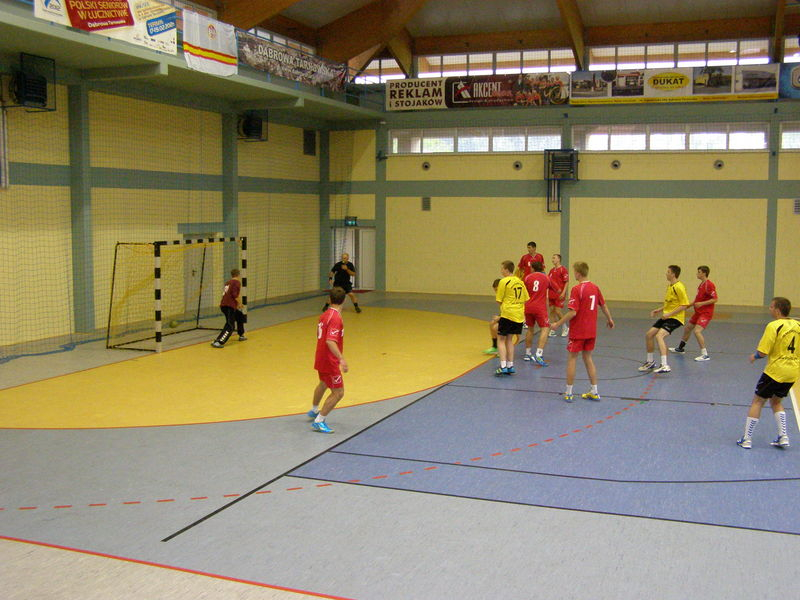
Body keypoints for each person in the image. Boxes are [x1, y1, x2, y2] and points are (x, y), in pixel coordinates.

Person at [737, 297, 799, 449]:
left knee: (757, 401)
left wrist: (754, 356)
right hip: (792, 372)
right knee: (776, 401)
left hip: (775, 371)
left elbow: (763, 352)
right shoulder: (798, 325)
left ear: (777, 310)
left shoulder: (774, 326)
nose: (769, 309)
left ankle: (747, 439)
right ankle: (783, 436)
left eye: (771, 307)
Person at [551, 261, 614, 402]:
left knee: (572, 358)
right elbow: (603, 305)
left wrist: (558, 324)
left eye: (574, 271)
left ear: (578, 273)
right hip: (591, 330)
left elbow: (573, 312)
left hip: (578, 330)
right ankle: (594, 391)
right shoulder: (595, 288)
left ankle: (569, 392)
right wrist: (610, 319)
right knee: (588, 358)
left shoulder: (577, 289)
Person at [308, 287, 349, 434]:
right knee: (339, 392)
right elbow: (330, 341)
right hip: (329, 360)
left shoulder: (324, 315)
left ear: (329, 299)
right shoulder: (336, 318)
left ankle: (314, 410)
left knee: (324, 383)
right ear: (344, 300)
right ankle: (319, 421)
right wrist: (341, 359)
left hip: (320, 357)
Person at [638, 265, 691, 374]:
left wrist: (669, 314)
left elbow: (685, 305)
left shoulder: (679, 287)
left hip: (675, 318)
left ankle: (665, 365)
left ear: (673, 274)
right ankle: (650, 362)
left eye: (668, 272)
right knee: (649, 335)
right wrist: (659, 309)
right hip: (667, 316)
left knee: (659, 336)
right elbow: (670, 303)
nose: (666, 274)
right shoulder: (670, 286)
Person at [669, 265, 718, 361]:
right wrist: (688, 305)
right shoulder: (701, 285)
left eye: (699, 272)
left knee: (697, 331)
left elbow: (715, 299)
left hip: (705, 313)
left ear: (704, 273)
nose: (697, 274)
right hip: (698, 313)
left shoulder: (709, 285)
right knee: (688, 328)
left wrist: (702, 304)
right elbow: (697, 299)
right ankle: (680, 348)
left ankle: (705, 354)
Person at [495, 260, 529, 376]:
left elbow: (499, 300)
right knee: (509, 339)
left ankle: (503, 366)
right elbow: (526, 298)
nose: (501, 270)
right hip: (518, 315)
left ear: (506, 269)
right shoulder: (520, 282)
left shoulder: (504, 281)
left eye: (502, 268)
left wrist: (505, 307)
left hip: (508, 314)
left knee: (501, 339)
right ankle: (510, 365)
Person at [523, 261, 557, 366]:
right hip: (540, 308)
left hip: (528, 306)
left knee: (530, 329)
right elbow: (557, 289)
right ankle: (539, 354)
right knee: (545, 328)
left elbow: (523, 291)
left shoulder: (527, 278)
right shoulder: (546, 278)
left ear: (533, 268)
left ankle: (527, 353)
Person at [211, 268, 245, 348]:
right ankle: (218, 341)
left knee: (239, 315)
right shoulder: (236, 282)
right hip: (229, 306)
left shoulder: (228, 282)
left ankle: (241, 334)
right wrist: (240, 303)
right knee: (230, 325)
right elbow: (234, 295)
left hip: (225, 305)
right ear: (238, 275)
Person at [548, 253, 570, 338]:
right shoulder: (551, 270)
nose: (552, 260)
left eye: (554, 258)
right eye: (552, 258)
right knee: (552, 311)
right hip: (551, 294)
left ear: (559, 259)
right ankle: (553, 329)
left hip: (559, 294)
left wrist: (563, 292)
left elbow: (566, 281)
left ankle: (565, 327)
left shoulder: (563, 270)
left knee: (558, 311)